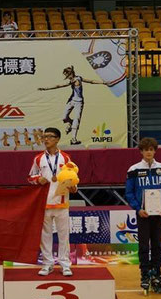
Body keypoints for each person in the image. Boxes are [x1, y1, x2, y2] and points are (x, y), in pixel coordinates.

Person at [125, 137, 161, 292]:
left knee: (157, 245)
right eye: (146, 150)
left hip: (159, 214)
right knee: (144, 245)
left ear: (155, 151)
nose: (149, 152)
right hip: (143, 214)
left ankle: (157, 271)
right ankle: (145, 273)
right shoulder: (133, 170)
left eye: (151, 149)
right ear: (141, 151)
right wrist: (138, 209)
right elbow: (129, 192)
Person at [28, 127, 77, 276]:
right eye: (44, 137)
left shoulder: (66, 158)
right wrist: (38, 179)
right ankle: (47, 264)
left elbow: (72, 177)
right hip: (44, 202)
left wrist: (74, 187)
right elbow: (30, 177)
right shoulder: (38, 159)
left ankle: (65, 264)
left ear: (57, 139)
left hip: (62, 201)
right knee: (45, 235)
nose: (46, 139)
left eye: (50, 136)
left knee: (63, 235)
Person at [38, 66, 107, 145]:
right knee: (64, 118)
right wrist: (46, 88)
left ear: (71, 74)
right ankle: (70, 122)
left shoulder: (78, 78)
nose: (67, 77)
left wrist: (103, 82)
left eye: (67, 75)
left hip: (79, 102)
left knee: (77, 119)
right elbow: (59, 86)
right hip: (71, 100)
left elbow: (91, 81)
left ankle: (73, 139)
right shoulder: (71, 81)